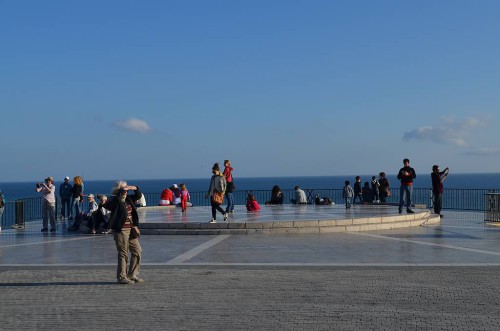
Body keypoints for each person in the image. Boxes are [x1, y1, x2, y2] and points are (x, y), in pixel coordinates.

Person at [104, 181, 143, 284]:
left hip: (131, 230)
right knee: (123, 253)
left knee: (137, 251)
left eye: (126, 189)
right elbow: (107, 205)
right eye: (123, 189)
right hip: (121, 231)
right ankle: (122, 277)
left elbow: (138, 195)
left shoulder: (129, 199)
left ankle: (132, 274)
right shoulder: (116, 200)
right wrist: (103, 200)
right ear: (118, 190)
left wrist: (135, 188)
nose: (126, 191)